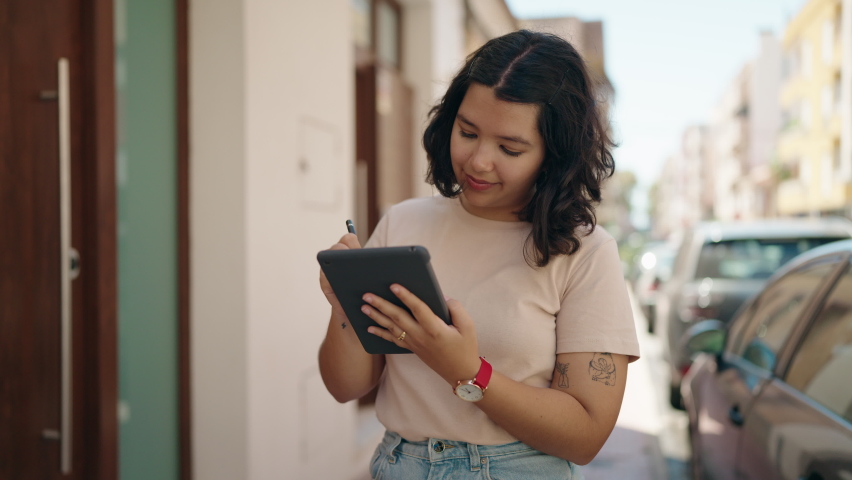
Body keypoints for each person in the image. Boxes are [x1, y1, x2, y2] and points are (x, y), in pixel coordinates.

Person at [318, 29, 640, 480]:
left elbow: (585, 436)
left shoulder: (585, 252)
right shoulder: (402, 223)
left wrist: (467, 372)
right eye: (467, 132)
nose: (478, 161)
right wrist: (344, 306)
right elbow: (344, 387)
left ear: (555, 155)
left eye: (510, 148)